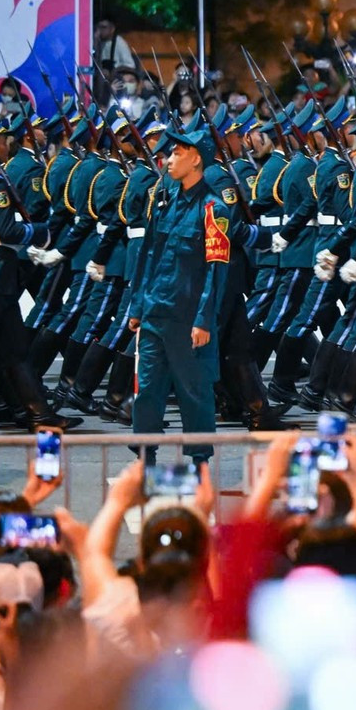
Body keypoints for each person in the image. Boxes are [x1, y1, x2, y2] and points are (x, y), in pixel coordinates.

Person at [124, 122, 228, 460]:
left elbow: (216, 272)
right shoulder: (164, 202)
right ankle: (145, 459)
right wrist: (137, 307)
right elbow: (147, 257)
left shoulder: (213, 209)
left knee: (194, 395)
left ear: (196, 159)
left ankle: (199, 464)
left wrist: (203, 320)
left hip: (188, 323)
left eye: (176, 153)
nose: (168, 159)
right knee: (147, 392)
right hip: (156, 314)